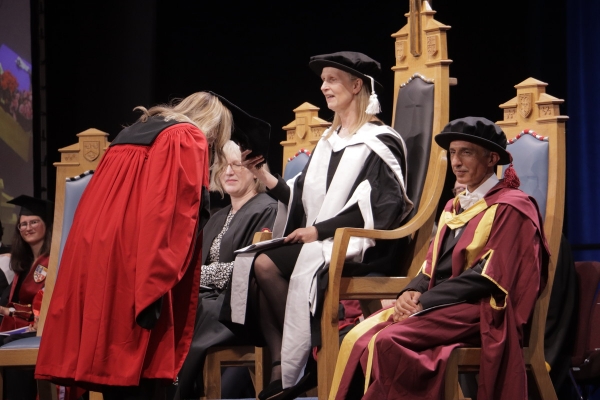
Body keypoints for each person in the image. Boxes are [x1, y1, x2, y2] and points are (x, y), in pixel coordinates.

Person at [34, 92, 264, 399]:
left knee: (112, 352)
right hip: (134, 248)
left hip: (96, 245)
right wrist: (161, 275)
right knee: (138, 353)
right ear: (212, 128)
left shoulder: (132, 132)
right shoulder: (187, 136)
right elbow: (173, 212)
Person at [232, 51, 412, 400]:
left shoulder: (381, 141)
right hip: (326, 241)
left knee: (266, 264)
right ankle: (289, 364)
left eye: (332, 79)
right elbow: (301, 200)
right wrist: (263, 175)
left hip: (365, 246)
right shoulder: (329, 141)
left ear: (356, 85)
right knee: (252, 263)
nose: (323, 86)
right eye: (323, 80)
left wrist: (319, 231)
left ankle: (307, 357)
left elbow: (381, 207)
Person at [330, 116, 549, 400]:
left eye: (466, 153)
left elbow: (489, 275)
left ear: (492, 158)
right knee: (358, 337)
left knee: (388, 340)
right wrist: (411, 291)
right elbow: (430, 266)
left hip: (481, 311)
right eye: (453, 152)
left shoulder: (511, 207)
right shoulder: (453, 207)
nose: (456, 162)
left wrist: (426, 301)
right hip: (443, 305)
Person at [174, 138, 277, 399]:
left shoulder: (268, 209)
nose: (228, 172)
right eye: (223, 166)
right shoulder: (217, 216)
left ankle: (180, 390)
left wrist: (196, 278)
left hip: (238, 306)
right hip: (209, 297)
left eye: (237, 164)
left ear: (254, 170)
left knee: (193, 310)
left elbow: (249, 267)